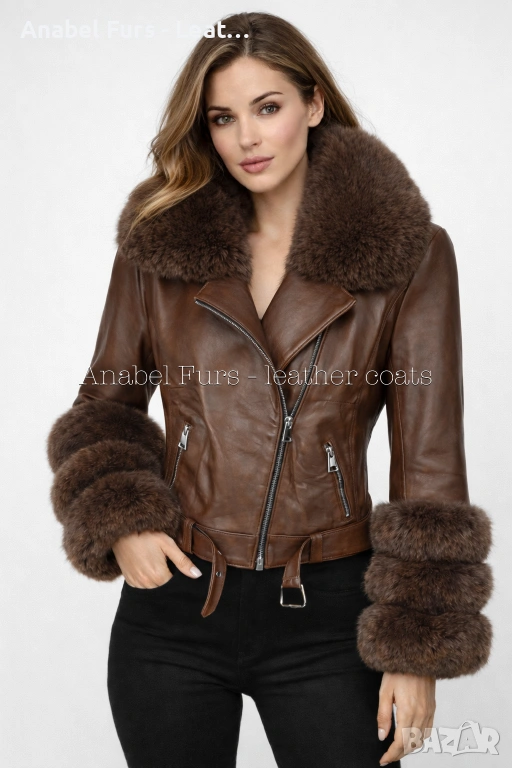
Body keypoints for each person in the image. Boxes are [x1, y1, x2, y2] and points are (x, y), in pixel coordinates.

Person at [46, 11, 494, 768]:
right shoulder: (160, 244)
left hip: (330, 615)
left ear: (313, 104)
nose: (247, 138)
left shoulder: (408, 254)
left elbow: (430, 464)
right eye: (223, 118)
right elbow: (105, 405)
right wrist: (122, 522)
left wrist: (415, 647)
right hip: (176, 609)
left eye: (268, 107)